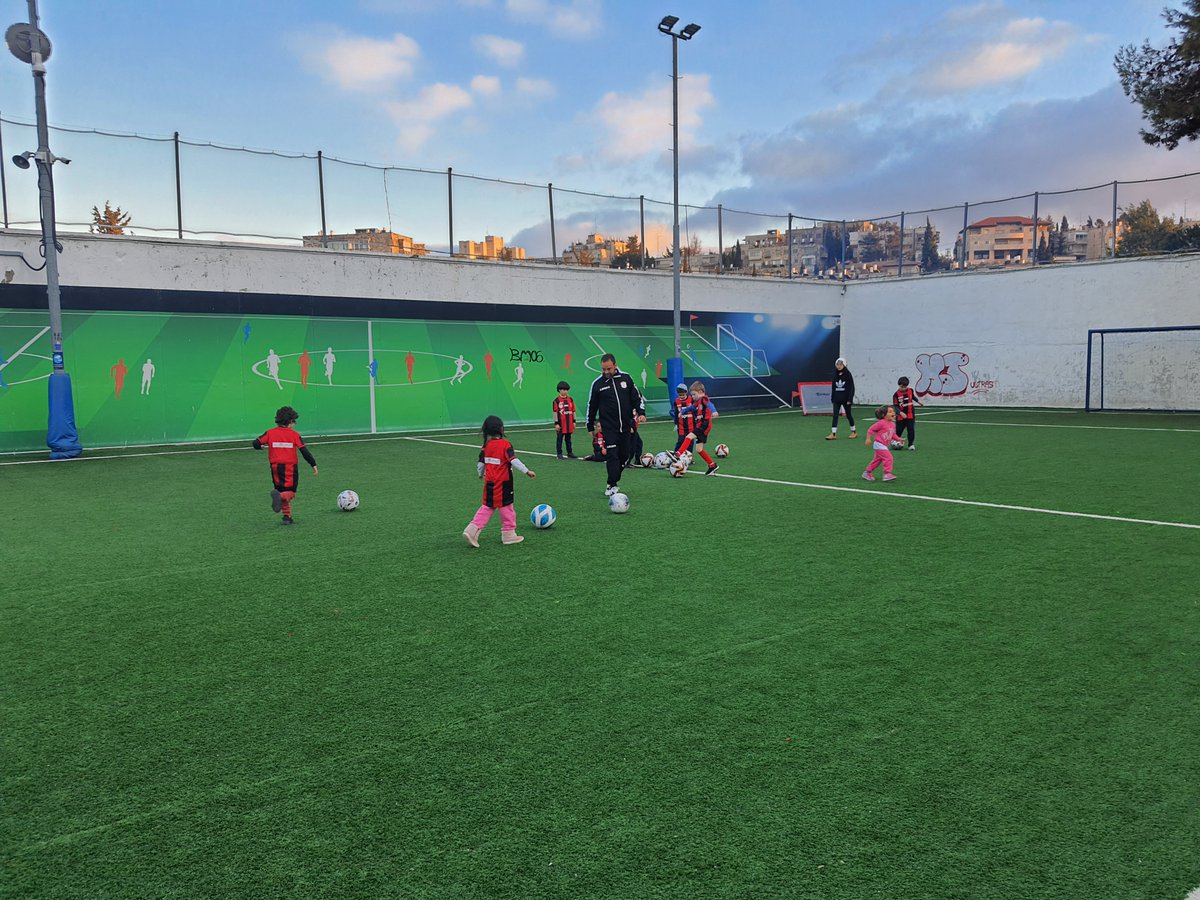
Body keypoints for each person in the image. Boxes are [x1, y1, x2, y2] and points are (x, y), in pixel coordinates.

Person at [463, 415, 536, 547]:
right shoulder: (505, 445)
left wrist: (480, 475)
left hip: (489, 483)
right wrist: (527, 471)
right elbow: (513, 460)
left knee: (487, 507)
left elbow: (480, 464)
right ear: (501, 429)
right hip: (504, 484)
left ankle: (471, 529)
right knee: (507, 508)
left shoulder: (486, 446)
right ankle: (508, 534)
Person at [585, 353, 646, 496]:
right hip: (609, 427)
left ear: (615, 366)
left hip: (626, 425)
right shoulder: (597, 384)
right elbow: (591, 405)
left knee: (625, 455)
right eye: (603, 369)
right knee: (612, 454)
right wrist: (590, 425)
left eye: (609, 369)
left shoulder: (626, 378)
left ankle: (613, 479)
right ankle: (611, 484)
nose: (606, 372)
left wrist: (641, 412)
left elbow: (636, 397)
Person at [252, 405, 318, 525]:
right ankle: (280, 497)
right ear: (290, 422)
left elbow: (255, 443)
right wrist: (313, 464)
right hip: (290, 468)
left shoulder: (270, 433)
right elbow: (304, 451)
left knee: (281, 490)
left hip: (275, 468)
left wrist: (260, 447)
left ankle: (287, 517)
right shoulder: (295, 435)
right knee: (290, 492)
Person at [675, 381, 721, 475]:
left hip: (704, 425)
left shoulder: (704, 399)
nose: (692, 397)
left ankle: (678, 454)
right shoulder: (697, 402)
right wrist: (682, 412)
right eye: (691, 395)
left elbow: (710, 405)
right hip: (703, 426)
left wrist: (714, 411)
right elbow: (691, 407)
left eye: (694, 394)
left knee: (689, 436)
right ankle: (712, 465)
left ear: (700, 392)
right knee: (699, 449)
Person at [862, 405, 898, 483]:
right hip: (879, 444)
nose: (893, 413)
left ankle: (867, 473)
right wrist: (868, 438)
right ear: (883, 415)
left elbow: (893, 434)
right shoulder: (881, 423)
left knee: (877, 461)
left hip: (884, 445)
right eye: (890, 412)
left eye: (893, 411)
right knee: (889, 458)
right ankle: (887, 474)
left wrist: (899, 439)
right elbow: (870, 429)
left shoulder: (893, 424)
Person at [826, 357, 856, 440]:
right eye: (837, 364)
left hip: (846, 399)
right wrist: (832, 398)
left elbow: (852, 388)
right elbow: (833, 387)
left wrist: (850, 399)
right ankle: (833, 433)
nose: (839, 366)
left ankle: (853, 431)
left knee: (848, 415)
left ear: (844, 365)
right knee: (835, 415)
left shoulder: (848, 374)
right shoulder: (835, 374)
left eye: (841, 364)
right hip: (837, 399)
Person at [892, 375, 923, 450]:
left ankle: (910, 445)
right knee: (898, 430)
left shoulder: (910, 390)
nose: (903, 388)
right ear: (899, 385)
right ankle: (895, 441)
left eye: (904, 387)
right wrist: (900, 413)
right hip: (900, 417)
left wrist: (918, 401)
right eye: (901, 387)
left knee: (911, 430)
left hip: (910, 415)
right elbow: (895, 406)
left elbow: (913, 396)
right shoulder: (896, 395)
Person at [552, 380, 577, 459]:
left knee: (568, 439)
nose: (565, 391)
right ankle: (559, 453)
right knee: (559, 439)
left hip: (569, 424)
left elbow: (573, 411)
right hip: (561, 424)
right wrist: (556, 423)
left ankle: (570, 452)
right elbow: (555, 412)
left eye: (566, 390)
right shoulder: (556, 401)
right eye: (563, 390)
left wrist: (574, 421)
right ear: (559, 390)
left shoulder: (571, 400)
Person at [669, 383, 692, 452]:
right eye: (680, 395)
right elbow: (676, 413)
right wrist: (676, 423)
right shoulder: (676, 401)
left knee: (690, 441)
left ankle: (689, 456)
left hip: (691, 425)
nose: (681, 396)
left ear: (686, 392)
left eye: (683, 395)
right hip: (681, 426)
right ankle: (676, 453)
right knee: (681, 440)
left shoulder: (691, 400)